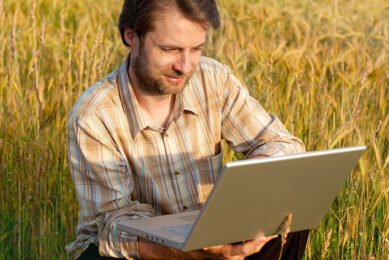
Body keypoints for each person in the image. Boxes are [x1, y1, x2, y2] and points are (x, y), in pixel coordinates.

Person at [66, 0, 309, 259]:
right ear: (131, 36)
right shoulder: (93, 116)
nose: (185, 66)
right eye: (170, 49)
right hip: (148, 250)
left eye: (196, 49)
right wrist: (193, 250)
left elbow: (282, 144)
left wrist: (258, 173)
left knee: (290, 207)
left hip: (213, 234)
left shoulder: (213, 79)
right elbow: (112, 227)